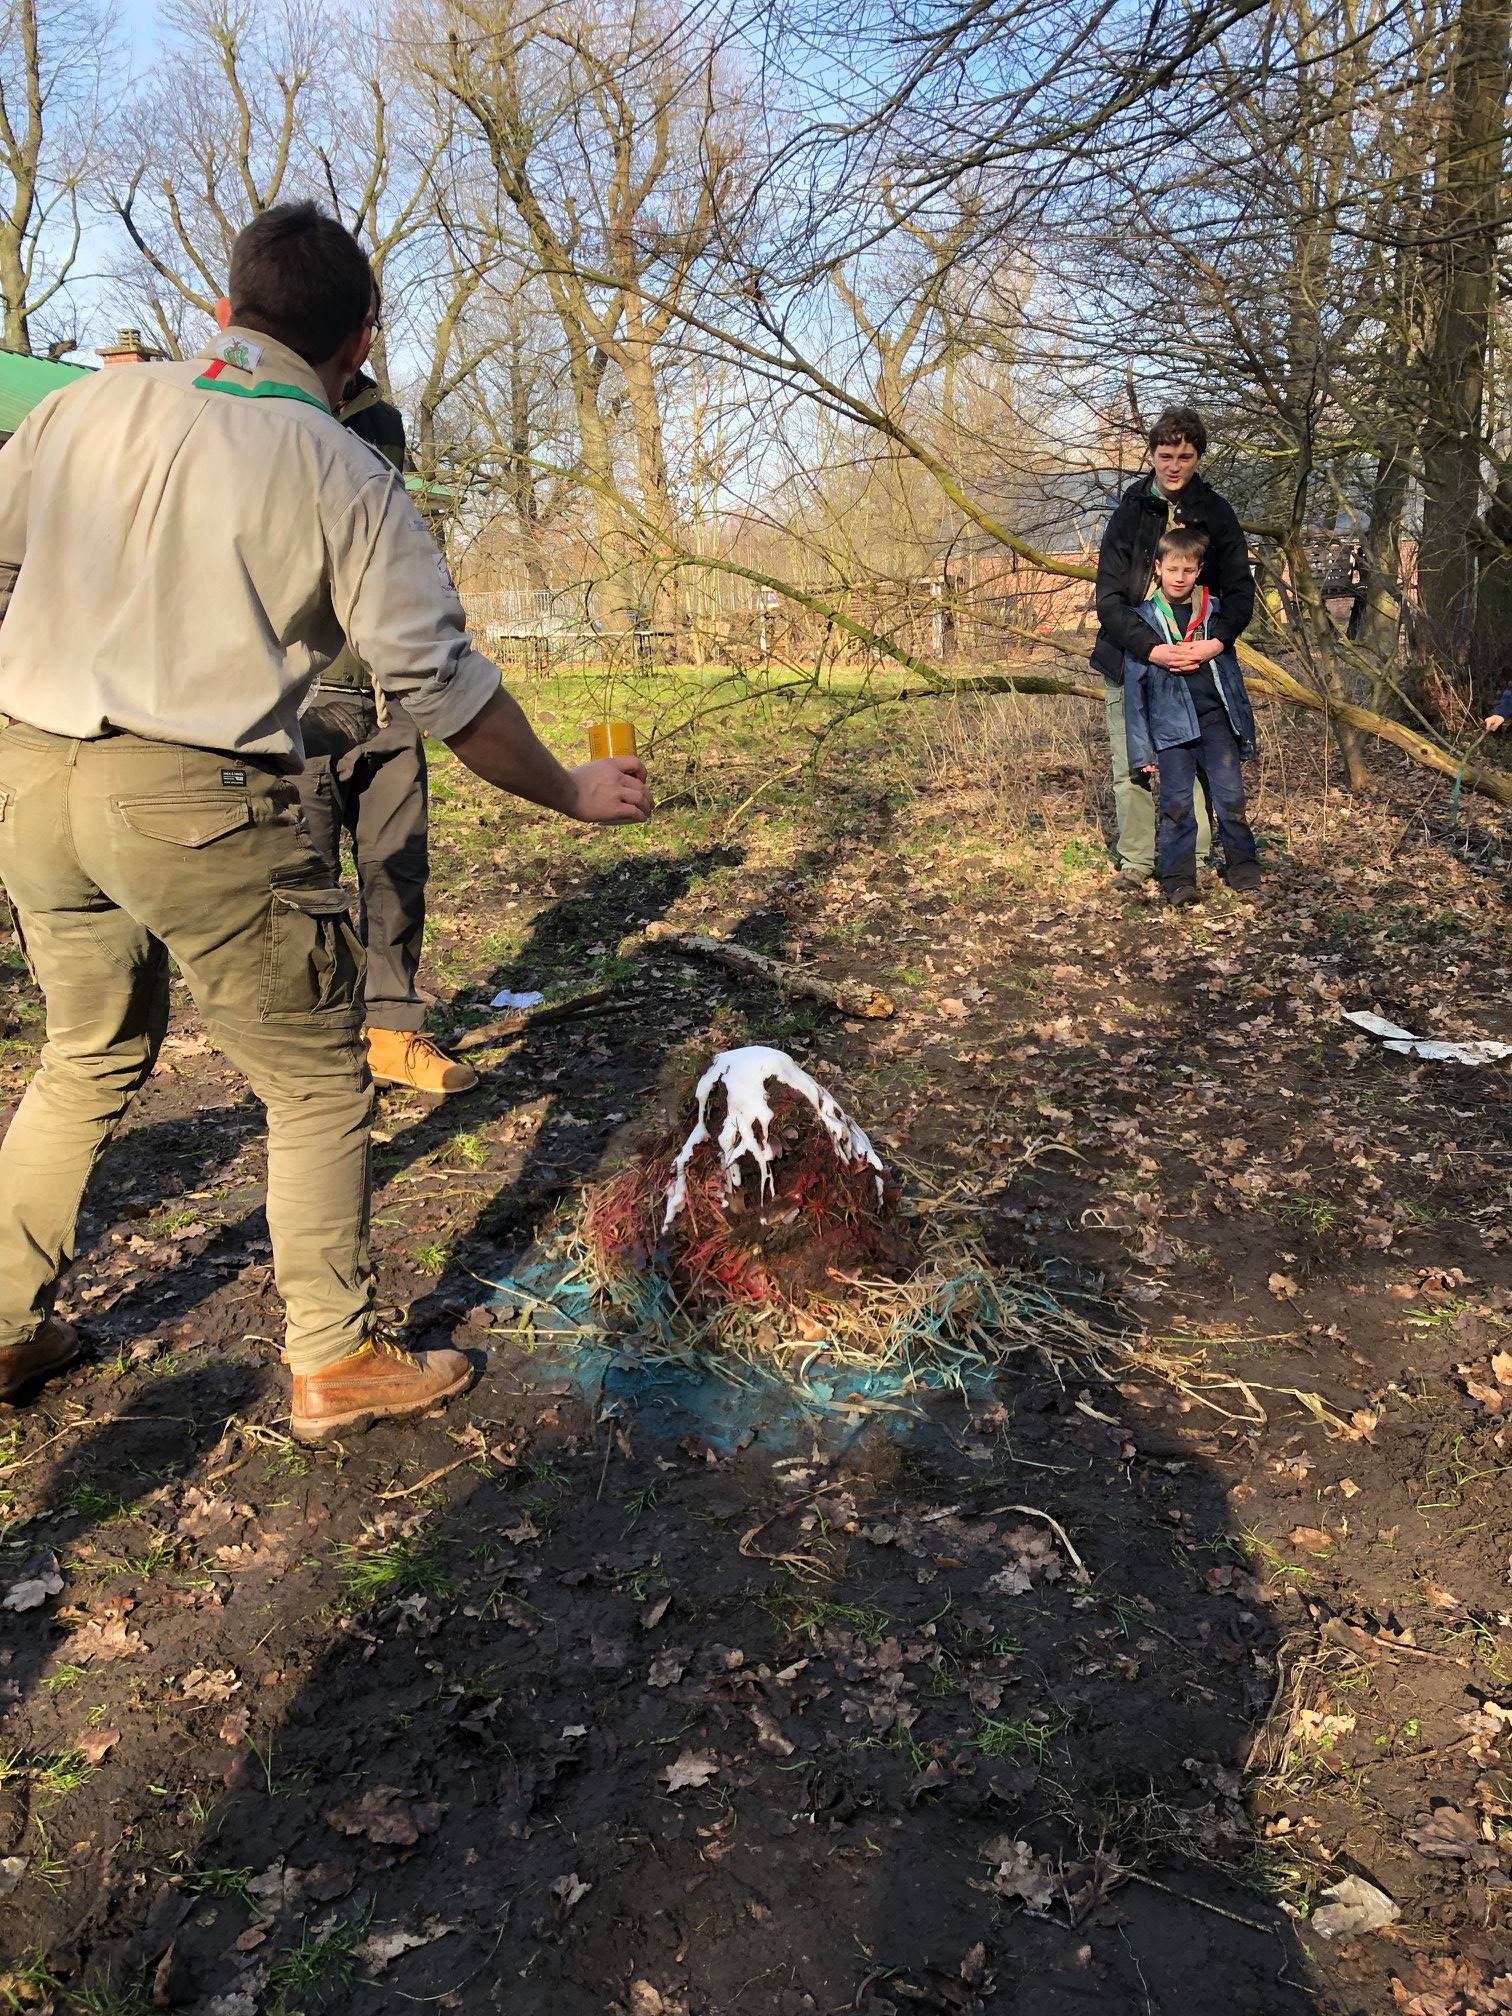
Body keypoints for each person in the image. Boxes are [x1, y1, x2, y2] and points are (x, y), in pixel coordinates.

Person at [0, 201, 649, 1440]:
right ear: (362, 341)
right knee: (312, 1083)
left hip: (27, 779)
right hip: (194, 796)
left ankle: (3, 1323)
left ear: (223, 309)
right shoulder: (340, 467)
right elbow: (443, 688)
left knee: (83, 1054)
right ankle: (335, 1356)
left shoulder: (77, 408)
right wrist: (570, 789)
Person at [256, 299, 473, 1098]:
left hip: (386, 695)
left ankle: (392, 1032)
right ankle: (320, 1049)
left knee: (395, 870)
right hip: (299, 702)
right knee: (305, 883)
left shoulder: (377, 410)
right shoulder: (252, 418)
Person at [1091, 406, 1255, 888]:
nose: (1175, 465)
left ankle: (1196, 862)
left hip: (1199, 659)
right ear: (1152, 454)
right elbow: (1109, 599)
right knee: (1132, 765)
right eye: (1166, 455)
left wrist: (1216, 643)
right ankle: (1138, 862)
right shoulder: (1130, 514)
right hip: (1131, 656)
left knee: (1201, 768)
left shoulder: (1216, 513)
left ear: (1199, 457)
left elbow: (1241, 592)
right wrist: (1151, 650)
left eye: (1185, 455)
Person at [1123, 526, 1260, 905]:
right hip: (1170, 730)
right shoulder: (1144, 620)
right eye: (1172, 570)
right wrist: (1142, 751)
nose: (1180, 578)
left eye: (1188, 570)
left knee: (1231, 800)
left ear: (1199, 570)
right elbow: (1135, 691)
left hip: (1217, 722)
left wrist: (1243, 729)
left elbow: (1232, 678)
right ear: (1158, 568)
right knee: (1177, 806)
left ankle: (1245, 872)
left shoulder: (1216, 613)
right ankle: (1179, 881)